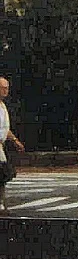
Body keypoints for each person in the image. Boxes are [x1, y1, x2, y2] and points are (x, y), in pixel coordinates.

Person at [0, 76, 26, 211]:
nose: (6, 91)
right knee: (3, 173)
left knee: (3, 175)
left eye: (7, 88)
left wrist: (15, 141)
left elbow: (5, 128)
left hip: (1, 146)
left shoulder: (2, 106)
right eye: (3, 88)